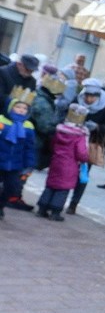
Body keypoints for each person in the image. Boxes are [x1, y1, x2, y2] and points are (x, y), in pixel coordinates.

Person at [67, 78, 105, 215]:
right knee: (66, 170)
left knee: (83, 173)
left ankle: (74, 203)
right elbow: (67, 115)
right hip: (72, 139)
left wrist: (97, 127)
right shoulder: (77, 100)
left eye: (92, 96)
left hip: (91, 143)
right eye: (87, 96)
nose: (89, 99)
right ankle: (61, 197)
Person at [36, 103, 89, 221]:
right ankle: (55, 211)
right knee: (63, 188)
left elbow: (53, 144)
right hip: (70, 165)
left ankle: (42, 208)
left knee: (51, 184)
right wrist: (85, 158)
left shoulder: (59, 131)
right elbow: (81, 153)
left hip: (56, 161)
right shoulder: (79, 136)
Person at [0, 92, 36, 221]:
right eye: (18, 107)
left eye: (25, 108)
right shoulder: (1, 121)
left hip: (15, 164)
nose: (21, 110)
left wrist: (29, 165)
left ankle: (1, 205)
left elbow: (29, 148)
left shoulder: (28, 126)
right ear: (10, 107)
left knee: (11, 188)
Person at [30, 65, 66, 170]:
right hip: (33, 142)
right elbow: (45, 128)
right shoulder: (43, 103)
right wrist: (60, 125)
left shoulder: (40, 96)